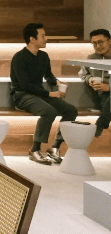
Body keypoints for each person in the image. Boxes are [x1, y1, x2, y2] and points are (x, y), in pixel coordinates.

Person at [10, 23, 78, 165]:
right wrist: (50, 94)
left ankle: (55, 147)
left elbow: (48, 76)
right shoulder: (19, 58)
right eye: (43, 36)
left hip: (39, 94)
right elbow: (25, 85)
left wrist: (58, 83)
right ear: (32, 39)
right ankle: (35, 149)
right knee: (49, 111)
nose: (46, 38)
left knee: (71, 110)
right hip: (22, 95)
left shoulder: (44, 56)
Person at [79, 29, 111, 137]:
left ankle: (100, 124)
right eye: (94, 43)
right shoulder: (91, 58)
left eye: (100, 42)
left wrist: (109, 87)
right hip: (102, 97)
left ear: (109, 41)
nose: (97, 46)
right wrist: (90, 79)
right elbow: (83, 74)